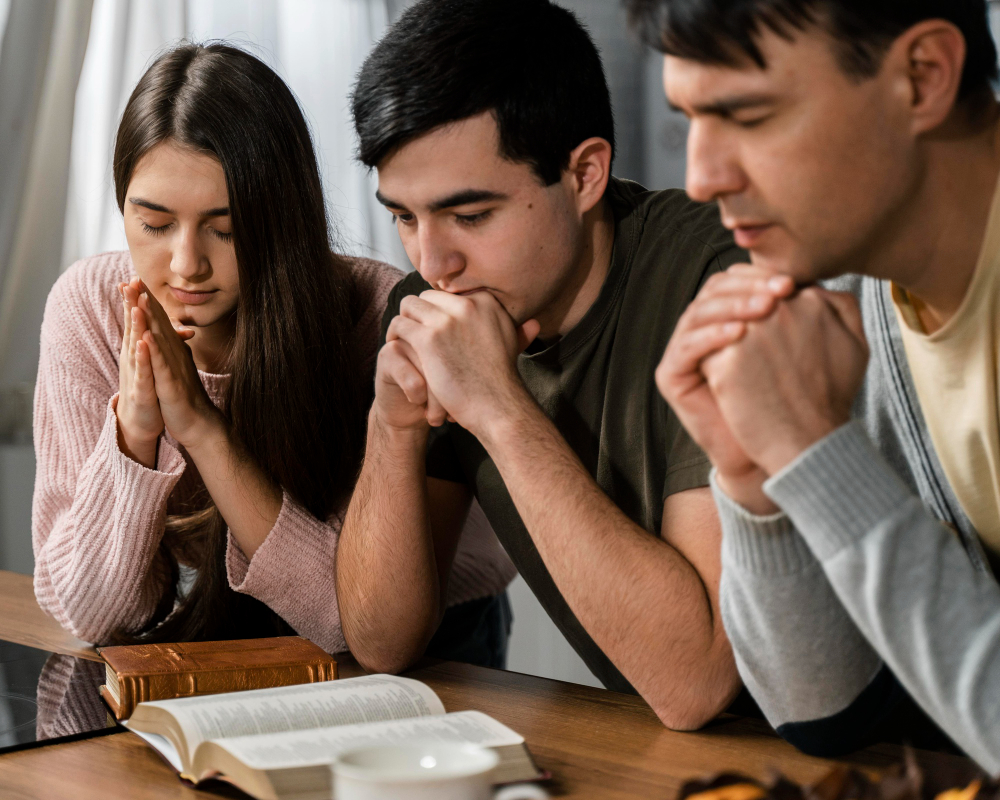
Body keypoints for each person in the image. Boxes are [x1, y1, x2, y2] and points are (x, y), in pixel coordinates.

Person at [335, 0, 750, 730]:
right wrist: (392, 426)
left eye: (470, 216)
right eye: (404, 216)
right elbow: (380, 642)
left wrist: (498, 408)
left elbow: (698, 683)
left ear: (585, 174)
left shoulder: (713, 277)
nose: (433, 263)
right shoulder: (435, 304)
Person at [31, 43, 515, 666]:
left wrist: (203, 429)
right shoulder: (90, 310)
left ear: (282, 216)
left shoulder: (377, 314)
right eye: (153, 224)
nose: (186, 265)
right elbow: (93, 616)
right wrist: (135, 431)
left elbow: (347, 623)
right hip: (225, 629)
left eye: (225, 230)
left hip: (436, 640)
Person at [627, 0, 1000, 772]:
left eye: (749, 115)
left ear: (922, 76)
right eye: (690, 117)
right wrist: (754, 482)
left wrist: (820, 455)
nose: (700, 177)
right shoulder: (839, 299)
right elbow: (820, 708)